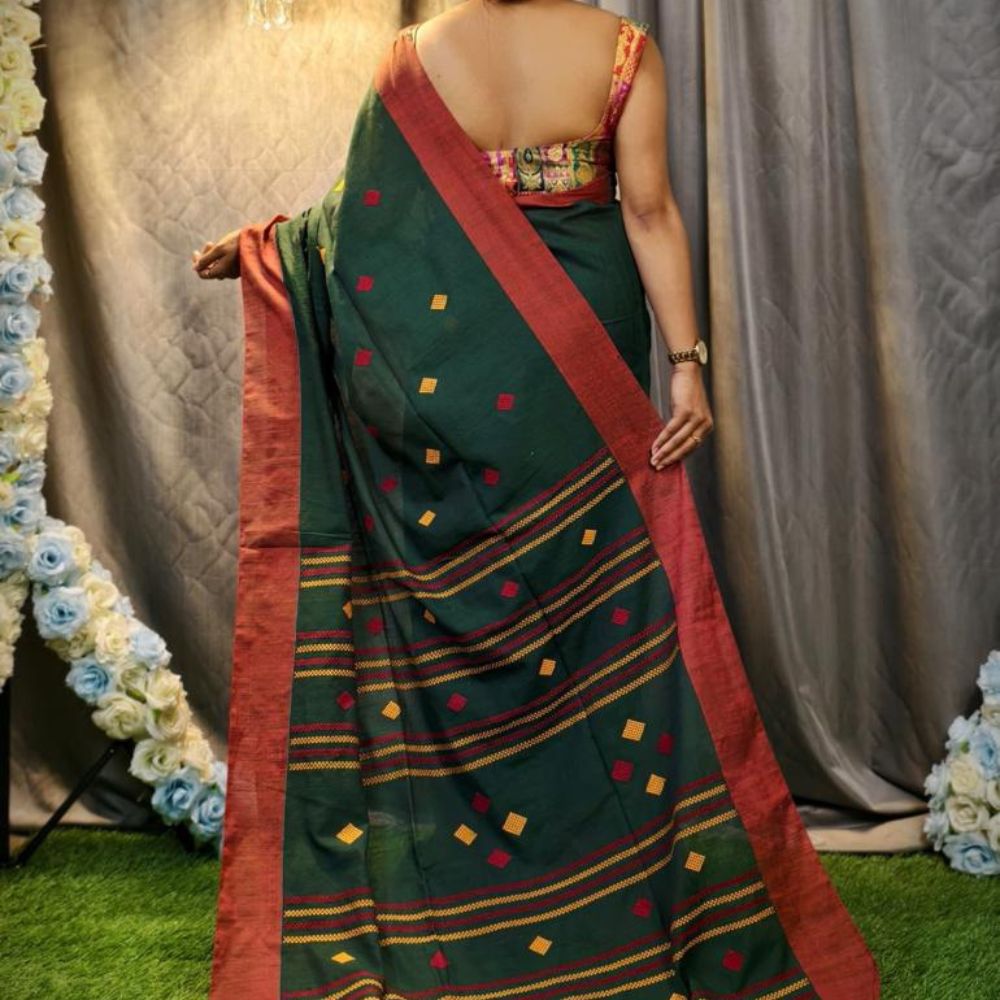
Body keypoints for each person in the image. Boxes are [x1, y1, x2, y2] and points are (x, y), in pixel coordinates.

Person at [196, 2, 881, 997]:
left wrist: (270, 252)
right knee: (596, 613)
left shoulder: (415, 57)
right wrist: (687, 366)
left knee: (476, 610)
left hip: (447, 369)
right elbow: (649, 212)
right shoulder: (619, 50)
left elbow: (364, 231)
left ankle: (487, 876)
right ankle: (622, 875)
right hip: (578, 349)